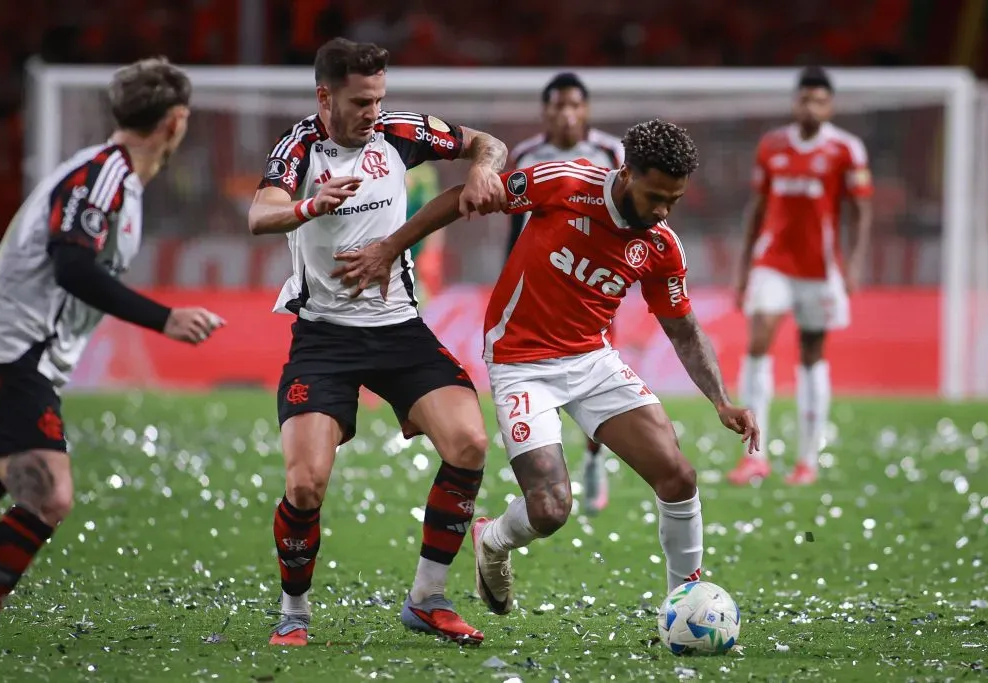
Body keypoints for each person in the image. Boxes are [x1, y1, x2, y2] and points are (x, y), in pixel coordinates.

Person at [332, 120, 759, 616]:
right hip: (520, 362)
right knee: (551, 510)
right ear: (627, 174)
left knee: (678, 477)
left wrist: (721, 400)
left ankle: (685, 603)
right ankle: (492, 538)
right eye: (655, 196)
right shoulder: (566, 183)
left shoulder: (660, 245)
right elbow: (464, 195)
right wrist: (390, 247)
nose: (663, 210)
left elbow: (683, 328)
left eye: (674, 200)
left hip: (592, 360)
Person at [247, 38, 507, 646]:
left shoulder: (400, 130)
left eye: (379, 99)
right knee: (305, 484)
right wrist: (310, 206)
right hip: (324, 339)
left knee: (470, 443)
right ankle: (295, 611)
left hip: (399, 331)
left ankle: (427, 598)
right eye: (361, 101)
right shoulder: (299, 148)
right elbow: (260, 215)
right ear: (324, 97)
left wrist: (483, 167)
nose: (373, 112)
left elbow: (485, 142)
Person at [0, 57, 224, 635]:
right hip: (10, 355)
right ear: (176, 121)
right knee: (48, 496)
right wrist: (163, 317)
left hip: (14, 354)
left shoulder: (110, 178)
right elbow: (73, 265)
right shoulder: (104, 176)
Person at [728, 66, 873, 487]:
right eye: (804, 98)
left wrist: (857, 261)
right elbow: (756, 207)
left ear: (830, 105)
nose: (810, 106)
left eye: (819, 99)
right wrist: (742, 269)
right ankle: (756, 456)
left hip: (819, 270)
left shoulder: (847, 149)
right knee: (758, 346)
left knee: (812, 355)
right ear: (795, 102)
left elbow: (862, 209)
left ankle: (807, 459)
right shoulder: (771, 145)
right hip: (772, 263)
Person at [505, 72, 625, 516]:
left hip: (590, 284)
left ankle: (594, 460)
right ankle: (556, 469)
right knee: (540, 378)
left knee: (594, 376)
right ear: (545, 111)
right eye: (558, 106)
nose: (567, 114)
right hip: (537, 286)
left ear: (587, 110)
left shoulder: (612, 152)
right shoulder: (526, 155)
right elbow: (512, 225)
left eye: (575, 105)